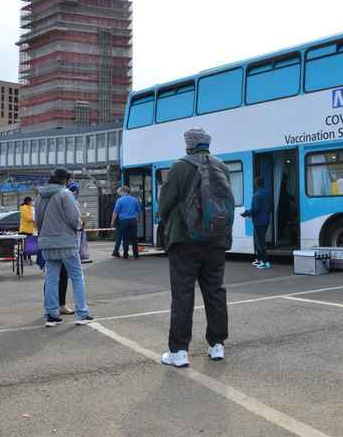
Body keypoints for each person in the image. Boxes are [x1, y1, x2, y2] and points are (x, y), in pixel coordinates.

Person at [158, 128, 233, 367]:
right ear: (207, 144)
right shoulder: (222, 167)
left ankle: (179, 351)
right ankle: (217, 345)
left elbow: (165, 205)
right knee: (215, 291)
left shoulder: (179, 167)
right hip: (216, 240)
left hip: (184, 240)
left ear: (188, 145)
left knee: (183, 294)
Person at [36, 168, 93, 327]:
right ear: (65, 180)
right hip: (66, 241)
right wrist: (80, 224)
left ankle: (51, 315)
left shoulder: (40, 196)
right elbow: (74, 219)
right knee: (76, 276)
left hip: (46, 241)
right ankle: (82, 313)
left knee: (51, 277)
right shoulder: (65, 194)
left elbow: (37, 220)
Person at [242, 177, 272, 269]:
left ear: (256, 184)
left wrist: (246, 213)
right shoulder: (267, 193)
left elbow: (255, 209)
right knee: (258, 241)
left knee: (260, 242)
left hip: (259, 221)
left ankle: (265, 262)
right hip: (266, 220)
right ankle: (259, 259)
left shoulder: (256, 195)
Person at [111, 185, 140, 259]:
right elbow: (138, 211)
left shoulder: (120, 200)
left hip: (123, 221)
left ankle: (125, 255)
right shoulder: (134, 199)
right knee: (134, 238)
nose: (119, 194)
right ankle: (136, 255)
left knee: (125, 238)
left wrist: (112, 221)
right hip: (133, 220)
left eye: (120, 192)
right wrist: (138, 219)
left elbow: (115, 212)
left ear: (124, 191)